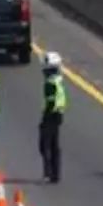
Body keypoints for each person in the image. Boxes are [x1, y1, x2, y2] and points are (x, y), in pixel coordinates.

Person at [39, 51, 66, 183]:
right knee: (54, 144)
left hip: (51, 114)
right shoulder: (58, 81)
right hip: (59, 114)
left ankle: (48, 172)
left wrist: (45, 118)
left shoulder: (50, 84)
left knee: (45, 144)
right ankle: (55, 174)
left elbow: (51, 102)